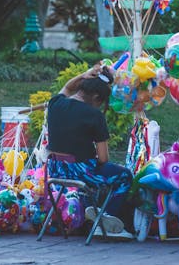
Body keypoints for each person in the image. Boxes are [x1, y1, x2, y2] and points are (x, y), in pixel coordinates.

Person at [46, 63, 134, 240]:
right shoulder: (94, 115)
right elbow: (103, 158)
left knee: (98, 175)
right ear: (95, 97)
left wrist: (84, 75)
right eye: (100, 102)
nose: (99, 106)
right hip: (82, 174)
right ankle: (104, 220)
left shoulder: (55, 104)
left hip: (55, 170)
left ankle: (95, 215)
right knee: (124, 176)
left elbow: (67, 87)